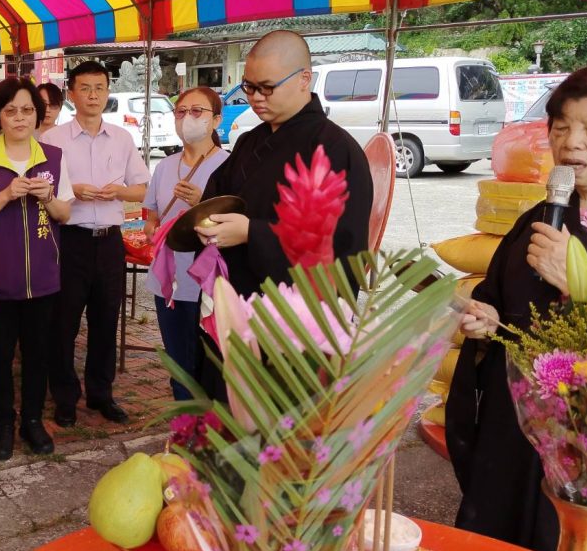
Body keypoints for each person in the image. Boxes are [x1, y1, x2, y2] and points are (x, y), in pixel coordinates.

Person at [446, 63, 587, 551]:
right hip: (516, 430)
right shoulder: (542, 216)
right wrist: (487, 321)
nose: (570, 142)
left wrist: (580, 282)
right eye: (562, 127)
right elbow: (497, 297)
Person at [196, 30, 371, 399]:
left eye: (267, 87)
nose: (256, 98)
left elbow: (339, 249)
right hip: (236, 308)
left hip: (291, 324)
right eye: (248, 87)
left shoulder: (335, 150)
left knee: (276, 434)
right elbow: (218, 195)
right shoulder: (249, 141)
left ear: (304, 78)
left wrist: (252, 233)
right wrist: (205, 224)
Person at [43, 60, 149, 427]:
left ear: (107, 91)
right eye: (84, 88)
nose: (92, 95)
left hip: (109, 243)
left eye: (99, 88)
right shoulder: (53, 140)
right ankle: (65, 397)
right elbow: (43, 189)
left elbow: (141, 187)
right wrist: (75, 192)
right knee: (64, 324)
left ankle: (101, 394)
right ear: (71, 94)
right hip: (69, 241)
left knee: (106, 321)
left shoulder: (121, 138)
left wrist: (118, 191)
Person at [0, 77, 73, 460]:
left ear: (39, 114)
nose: (20, 117)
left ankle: (32, 420)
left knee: (38, 353)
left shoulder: (55, 156)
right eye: (11, 110)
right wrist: (7, 194)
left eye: (28, 109)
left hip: (44, 277)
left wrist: (47, 197)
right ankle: (3, 422)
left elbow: (65, 213)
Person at [142, 87, 228, 400]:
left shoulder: (227, 165)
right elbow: (151, 214)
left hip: (207, 281)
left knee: (208, 361)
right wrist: (152, 228)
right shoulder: (164, 166)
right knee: (178, 360)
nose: (187, 118)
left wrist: (202, 202)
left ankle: (207, 430)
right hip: (167, 278)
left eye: (197, 111)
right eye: (181, 111)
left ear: (216, 119)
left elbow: (234, 220)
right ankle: (183, 428)